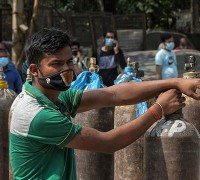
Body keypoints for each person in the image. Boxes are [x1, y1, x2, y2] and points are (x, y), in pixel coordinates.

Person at [9, 28, 200, 180]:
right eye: (57, 64)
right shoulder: (37, 114)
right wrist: (158, 109)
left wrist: (175, 82)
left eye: (69, 61)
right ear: (34, 70)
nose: (66, 69)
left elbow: (113, 94)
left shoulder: (53, 97)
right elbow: (108, 142)